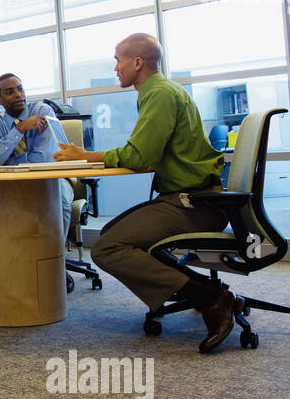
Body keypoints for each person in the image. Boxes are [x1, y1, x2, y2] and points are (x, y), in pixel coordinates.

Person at [52, 34, 233, 352]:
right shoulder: (160, 91)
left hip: (193, 203)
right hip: (190, 198)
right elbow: (143, 152)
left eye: (118, 60)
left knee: (108, 248)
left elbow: (140, 156)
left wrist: (85, 155)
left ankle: (211, 298)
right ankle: (198, 289)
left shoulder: (159, 94)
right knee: (113, 234)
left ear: (137, 62)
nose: (116, 67)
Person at [0, 74, 75, 242]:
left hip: (49, 179)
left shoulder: (42, 112)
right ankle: (19, 260)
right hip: (12, 182)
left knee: (60, 198)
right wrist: (19, 130)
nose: (18, 94)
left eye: (20, 89)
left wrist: (8, 160)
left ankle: (56, 261)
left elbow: (45, 159)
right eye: (10, 92)